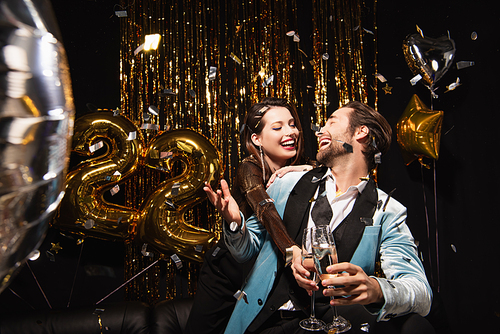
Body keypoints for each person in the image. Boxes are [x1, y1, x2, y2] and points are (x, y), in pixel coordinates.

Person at [208, 101, 434, 333]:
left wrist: (376, 289)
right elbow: (246, 250)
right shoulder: (286, 183)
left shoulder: (387, 210)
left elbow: (421, 293)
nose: (319, 130)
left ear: (361, 132)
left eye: (332, 122)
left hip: (329, 325)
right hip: (265, 322)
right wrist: (235, 224)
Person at [185, 97, 314, 334]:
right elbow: (266, 209)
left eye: (292, 124)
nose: (290, 132)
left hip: (260, 271)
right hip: (226, 269)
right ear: (257, 139)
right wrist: (291, 250)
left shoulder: (304, 167)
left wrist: (304, 168)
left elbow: (330, 170)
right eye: (278, 127)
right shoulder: (249, 168)